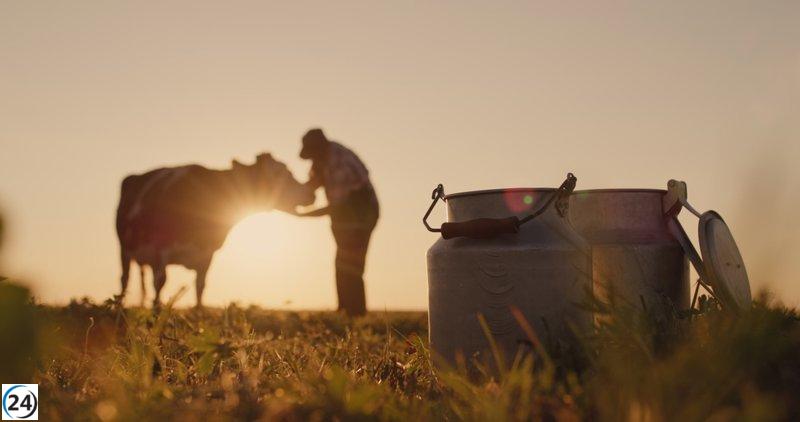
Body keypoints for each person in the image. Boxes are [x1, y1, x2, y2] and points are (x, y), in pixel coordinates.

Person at [293, 128, 379, 316]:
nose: (311, 161)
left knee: (351, 264)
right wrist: (292, 198)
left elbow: (336, 207)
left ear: (319, 149)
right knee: (342, 263)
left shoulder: (341, 163)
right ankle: (345, 311)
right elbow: (312, 185)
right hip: (343, 217)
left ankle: (354, 313)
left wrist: (302, 214)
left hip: (360, 216)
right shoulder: (322, 161)